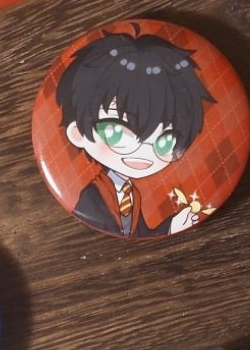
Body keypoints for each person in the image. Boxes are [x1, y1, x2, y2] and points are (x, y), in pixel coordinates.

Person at [55, 27, 215, 238]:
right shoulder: (94, 195)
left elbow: (139, 234)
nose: (143, 150)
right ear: (77, 133)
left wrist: (171, 226)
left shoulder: (131, 193)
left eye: (165, 140)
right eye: (117, 132)